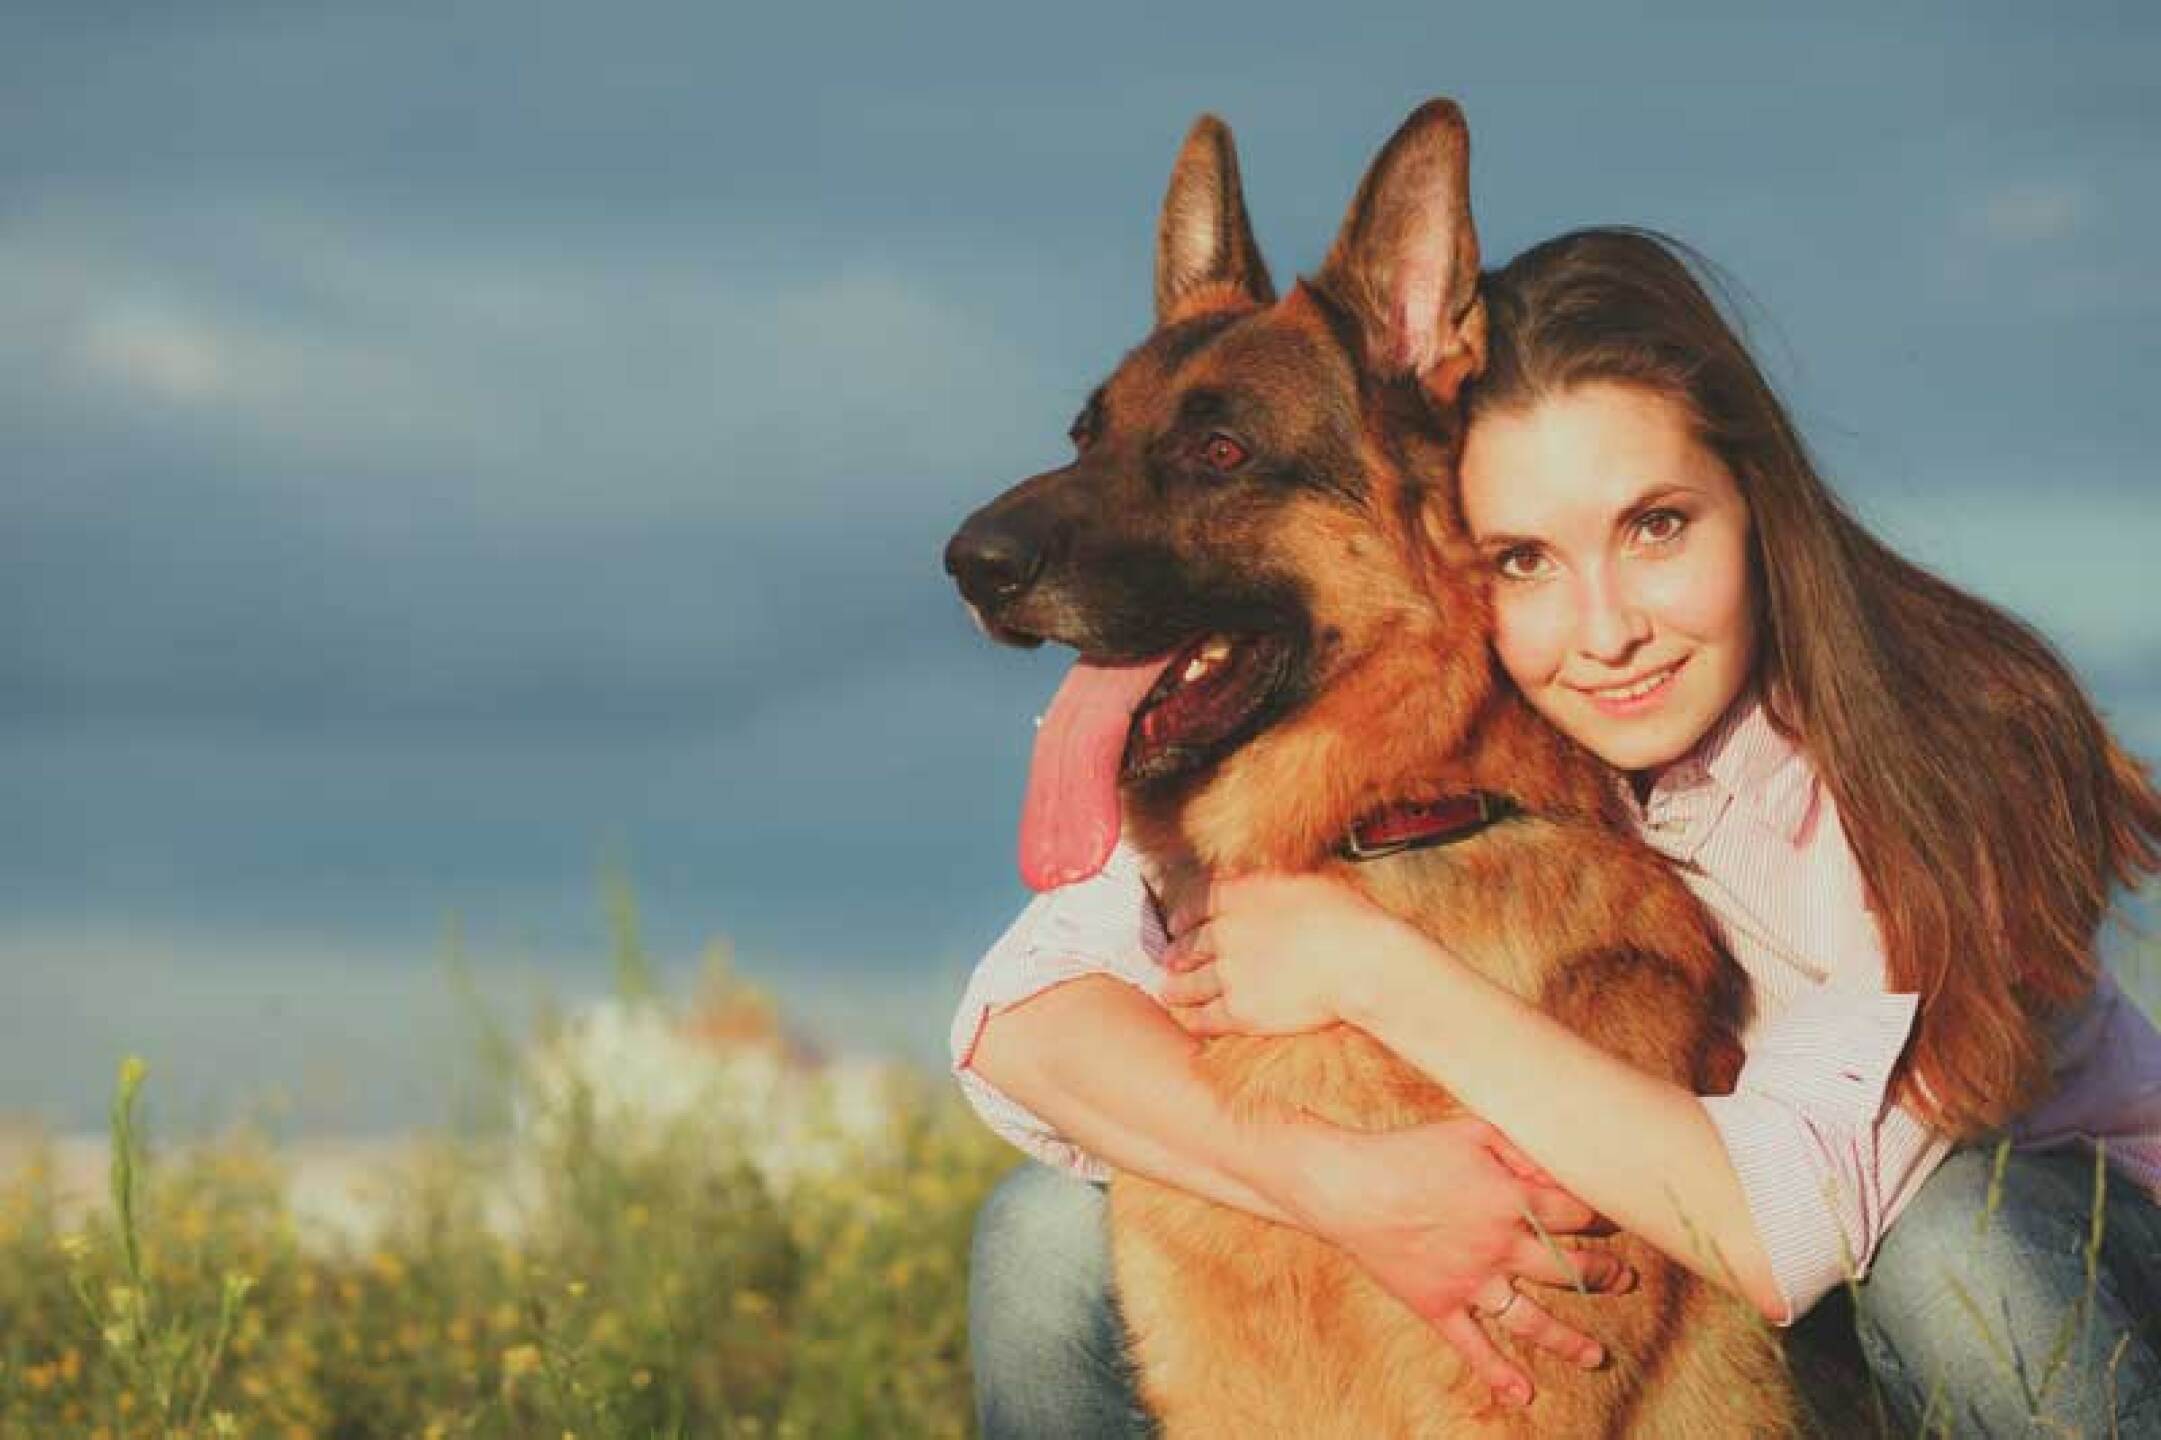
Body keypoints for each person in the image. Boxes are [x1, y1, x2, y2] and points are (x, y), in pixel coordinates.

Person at [953, 228, 2161, 1439]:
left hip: (2033, 1253)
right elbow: (1015, 1012)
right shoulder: (1468, 716)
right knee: (1041, 1239)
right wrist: (1341, 1187)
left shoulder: (1946, 750)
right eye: (1524, 559)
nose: (1604, 630)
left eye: (1656, 527)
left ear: (1759, 503)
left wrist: (1361, 964)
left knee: (1961, 1253)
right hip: (1770, 1259)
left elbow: (1777, 1224)